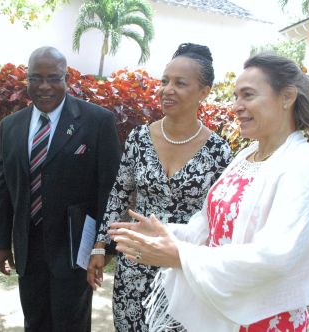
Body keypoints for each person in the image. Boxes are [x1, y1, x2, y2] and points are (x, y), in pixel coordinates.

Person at [109, 53, 309, 331]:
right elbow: (206, 226)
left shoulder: (305, 164)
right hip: (221, 313)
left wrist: (179, 255)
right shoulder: (246, 156)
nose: (237, 107)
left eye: (248, 95)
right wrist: (165, 233)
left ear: (287, 97)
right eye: (236, 96)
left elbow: (276, 256)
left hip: (263, 319)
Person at [87, 43, 232, 331]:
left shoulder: (219, 151)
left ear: (204, 92)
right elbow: (118, 193)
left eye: (180, 83)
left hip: (183, 267)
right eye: (164, 81)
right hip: (134, 264)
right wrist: (100, 246)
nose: (167, 89)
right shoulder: (139, 138)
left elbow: (220, 218)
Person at [0, 46, 121, 332]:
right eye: (36, 78)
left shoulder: (96, 121)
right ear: (26, 80)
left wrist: (105, 245)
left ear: (67, 79)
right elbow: (3, 188)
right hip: (28, 246)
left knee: (70, 324)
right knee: (34, 321)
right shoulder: (10, 126)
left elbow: (109, 190)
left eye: (54, 78)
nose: (45, 86)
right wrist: (1, 243)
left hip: (74, 247)